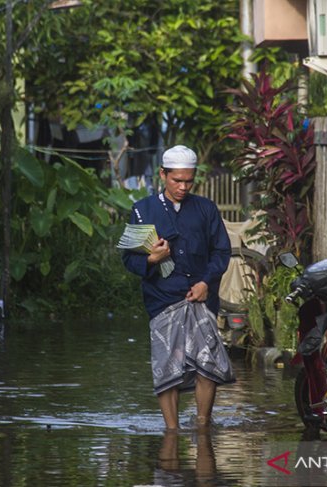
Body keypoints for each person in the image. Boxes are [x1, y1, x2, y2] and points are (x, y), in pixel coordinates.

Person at [122, 144, 235, 431]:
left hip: (201, 299)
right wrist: (151, 259)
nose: (183, 187)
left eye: (189, 180)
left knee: (207, 365)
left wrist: (204, 283)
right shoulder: (142, 210)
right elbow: (129, 261)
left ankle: (202, 425)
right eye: (177, 181)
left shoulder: (206, 209)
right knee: (167, 368)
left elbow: (221, 252)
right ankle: (171, 431)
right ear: (163, 174)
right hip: (161, 300)